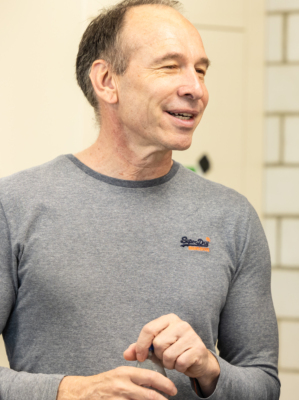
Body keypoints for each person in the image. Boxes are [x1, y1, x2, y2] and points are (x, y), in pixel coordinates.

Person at [0, 1, 279, 399]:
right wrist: (70, 391)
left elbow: (264, 384)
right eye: (170, 66)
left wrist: (210, 370)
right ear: (107, 81)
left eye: (200, 70)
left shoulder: (233, 218)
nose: (196, 89)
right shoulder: (14, 206)